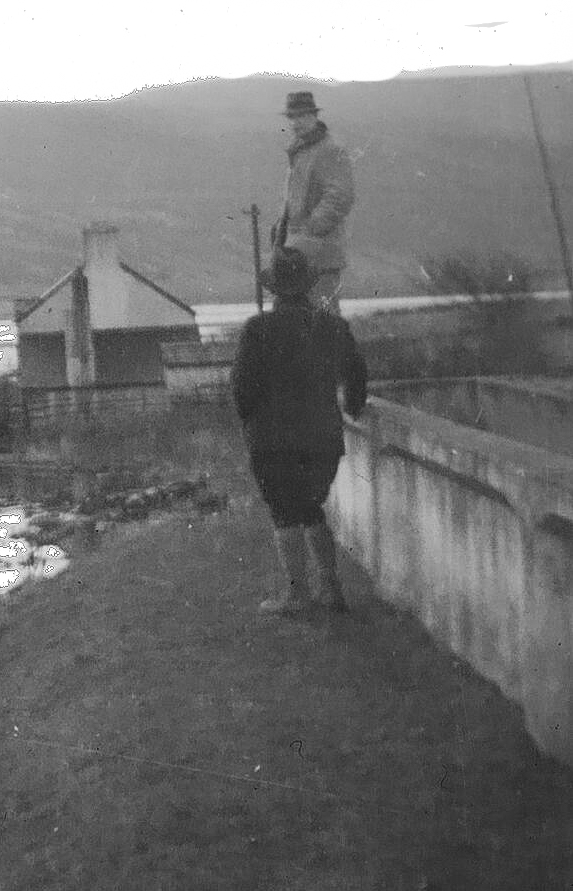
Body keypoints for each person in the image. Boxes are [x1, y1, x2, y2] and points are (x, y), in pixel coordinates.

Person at [232, 247, 368, 615]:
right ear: (307, 286)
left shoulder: (257, 330)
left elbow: (242, 388)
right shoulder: (333, 327)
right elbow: (356, 376)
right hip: (323, 438)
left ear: (274, 289)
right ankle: (331, 587)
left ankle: (297, 595)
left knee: (285, 512)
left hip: (272, 441)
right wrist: (352, 407)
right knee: (312, 508)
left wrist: (251, 423)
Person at [274, 91, 356, 316]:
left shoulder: (329, 150)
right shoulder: (301, 152)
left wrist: (310, 231)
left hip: (319, 257)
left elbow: (340, 196)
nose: (295, 122)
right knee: (301, 323)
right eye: (292, 117)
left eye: (301, 116)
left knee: (325, 324)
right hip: (297, 257)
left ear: (313, 116)